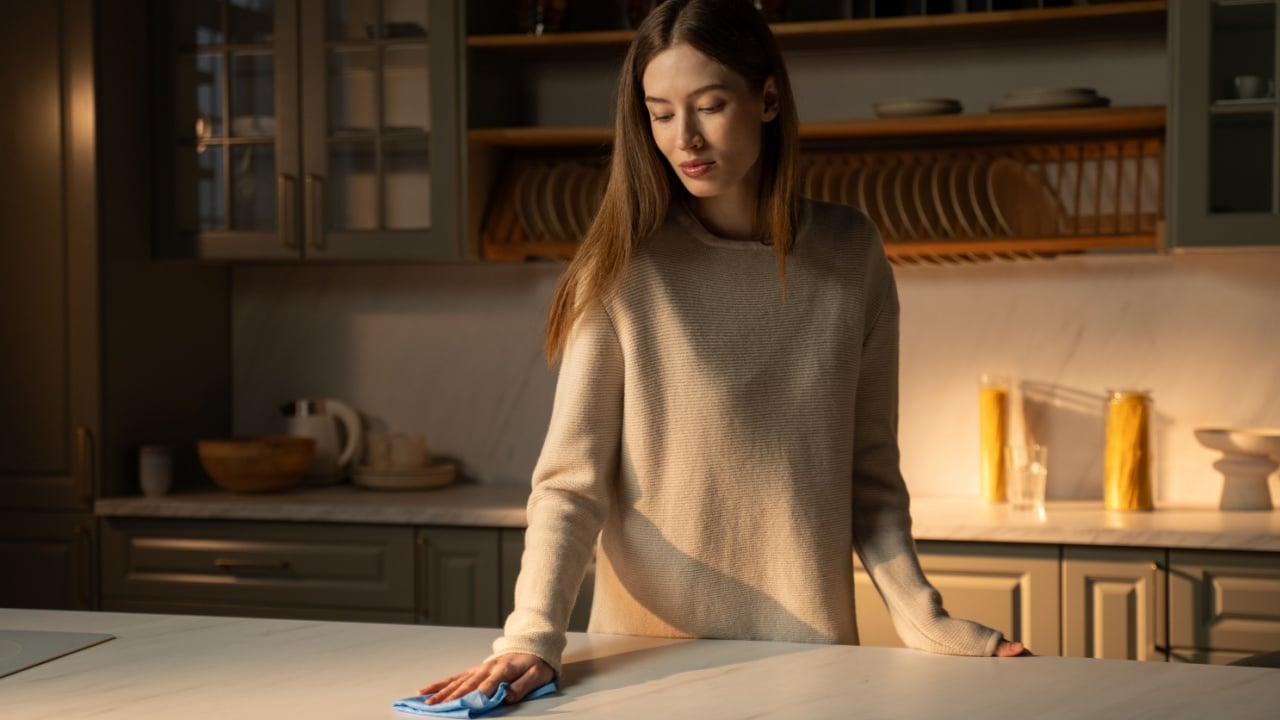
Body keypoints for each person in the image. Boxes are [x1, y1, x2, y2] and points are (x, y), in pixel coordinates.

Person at [420, 0, 1026, 706]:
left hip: (810, 666)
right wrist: (530, 637)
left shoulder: (848, 252)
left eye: (709, 105)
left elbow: (870, 477)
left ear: (767, 98)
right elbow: (570, 485)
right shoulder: (621, 267)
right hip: (645, 668)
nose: (686, 139)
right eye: (660, 112)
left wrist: (924, 618)